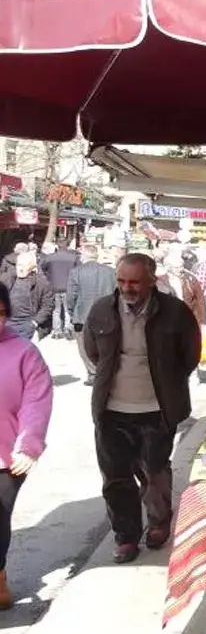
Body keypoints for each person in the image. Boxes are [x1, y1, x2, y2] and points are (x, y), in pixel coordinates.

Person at [83, 253, 201, 563]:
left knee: (155, 471)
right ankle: (126, 538)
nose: (127, 287)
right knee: (115, 477)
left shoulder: (174, 312)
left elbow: (190, 355)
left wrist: (168, 384)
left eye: (134, 281)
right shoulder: (101, 310)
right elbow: (92, 351)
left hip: (157, 409)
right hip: (111, 411)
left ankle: (159, 523)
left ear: (152, 279)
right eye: (121, 281)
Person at [0, 282, 53, 609]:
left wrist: (28, 445)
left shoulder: (24, 352)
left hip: (8, 458)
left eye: (1, 314)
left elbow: (37, 401)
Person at [67, 245, 118, 386]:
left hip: (82, 316)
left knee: (84, 346)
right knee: (105, 346)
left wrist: (72, 313)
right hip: (106, 315)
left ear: (84, 256)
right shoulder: (111, 272)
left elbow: (71, 296)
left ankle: (93, 373)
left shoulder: (76, 272)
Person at [0, 253, 52, 340]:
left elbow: (48, 305)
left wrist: (35, 322)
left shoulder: (41, 283)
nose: (20, 268)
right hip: (7, 322)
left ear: (31, 267)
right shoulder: (7, 278)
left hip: (26, 325)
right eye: (18, 265)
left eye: (23, 265)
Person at [158, 250, 206, 327]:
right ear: (169, 268)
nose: (181, 269)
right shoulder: (160, 281)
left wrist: (203, 320)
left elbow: (200, 299)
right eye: (177, 267)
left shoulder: (190, 279)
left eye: (181, 266)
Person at [42, 241, 79, 340]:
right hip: (68, 286)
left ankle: (57, 331)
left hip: (53, 286)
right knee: (68, 310)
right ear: (67, 246)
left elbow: (42, 268)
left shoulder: (50, 257)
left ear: (57, 246)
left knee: (56, 310)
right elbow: (79, 270)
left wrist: (49, 276)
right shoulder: (73, 257)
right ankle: (68, 330)